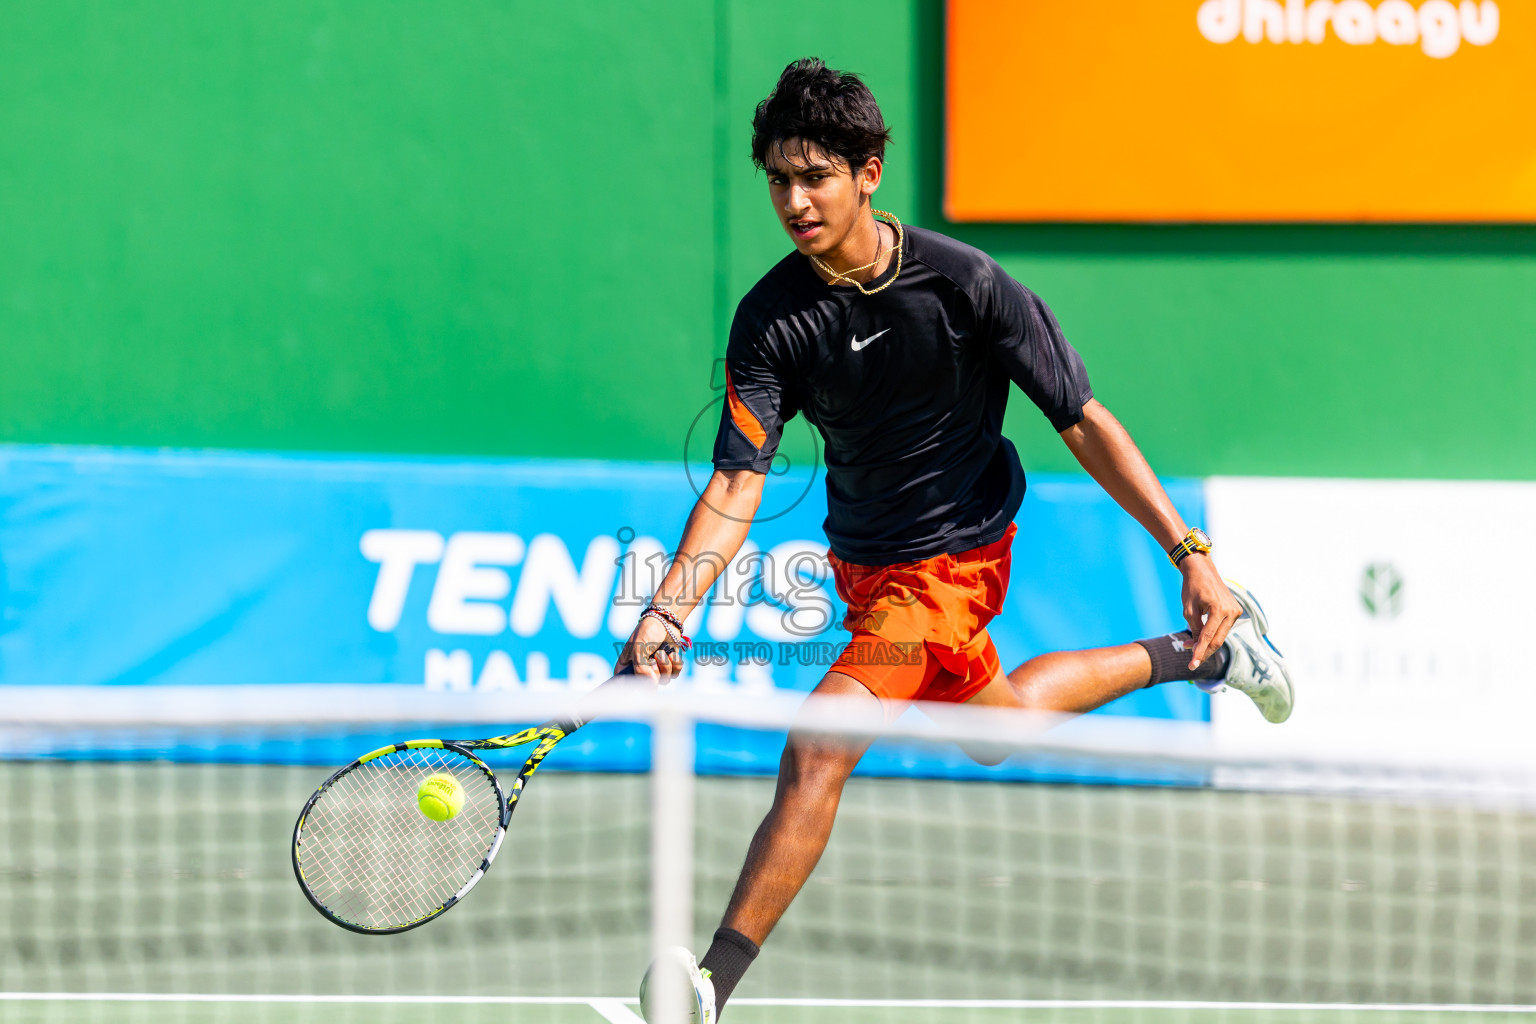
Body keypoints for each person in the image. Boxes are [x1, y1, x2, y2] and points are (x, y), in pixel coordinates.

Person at [621, 58, 1294, 1023]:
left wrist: (1191, 553)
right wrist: (669, 609)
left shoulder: (967, 285)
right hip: (865, 563)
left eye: (814, 175)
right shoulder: (770, 320)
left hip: (953, 565)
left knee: (819, 745)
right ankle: (1207, 657)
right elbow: (736, 481)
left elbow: (1084, 421)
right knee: (1001, 727)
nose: (794, 200)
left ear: (868, 172)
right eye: (778, 178)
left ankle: (709, 989)